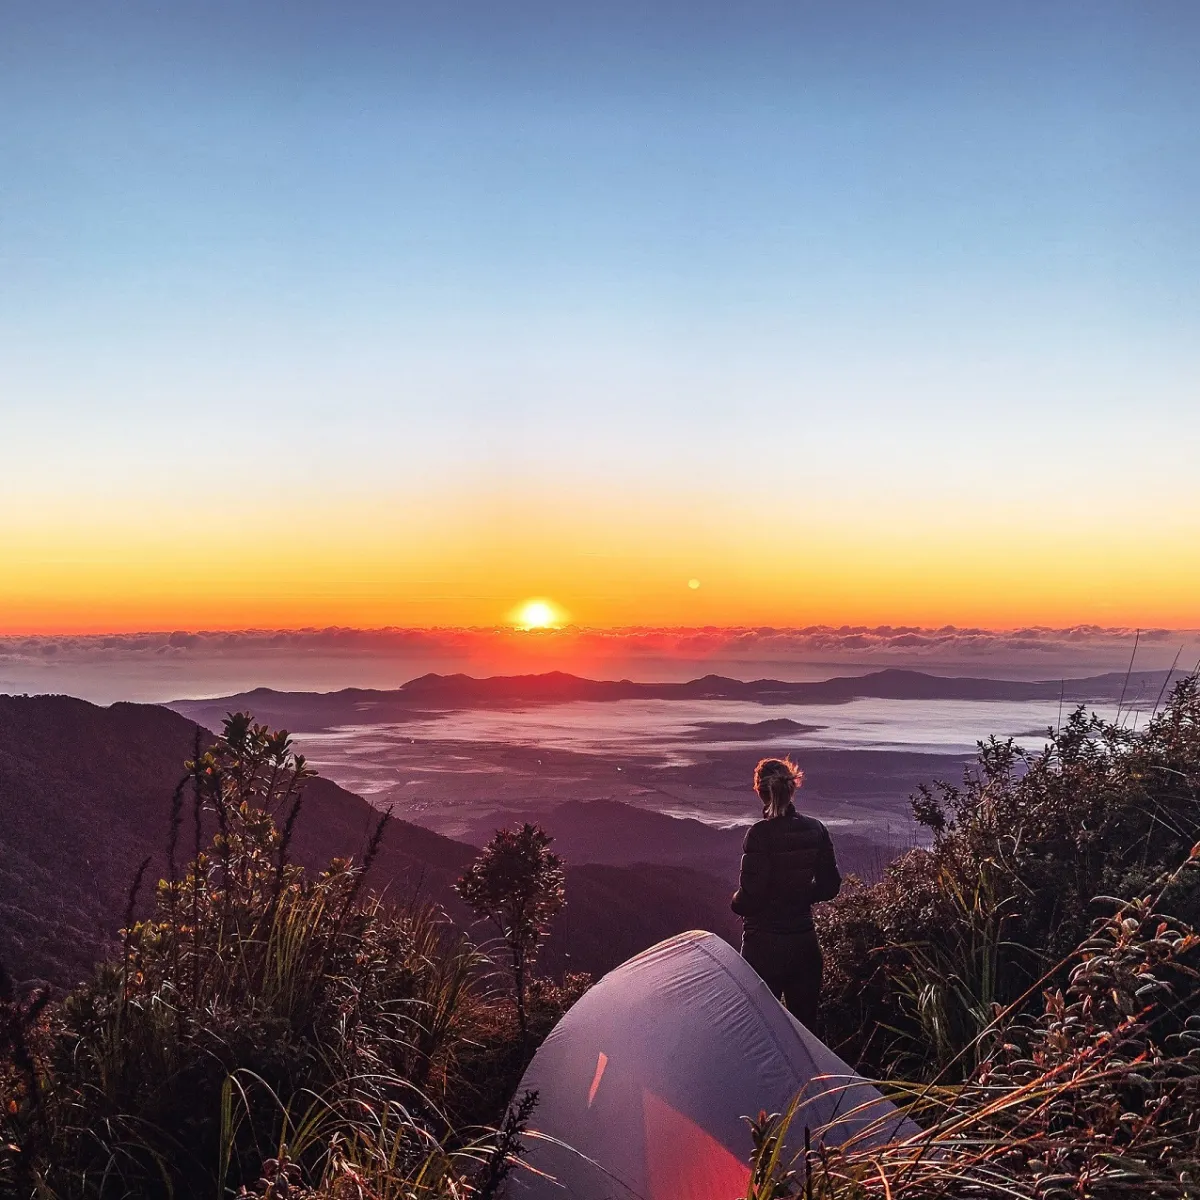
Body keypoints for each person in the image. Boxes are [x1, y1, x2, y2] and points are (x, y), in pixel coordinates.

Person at [731, 757, 841, 1028]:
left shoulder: (759, 834)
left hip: (763, 948)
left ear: (759, 791)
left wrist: (734, 902)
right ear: (791, 788)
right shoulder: (816, 829)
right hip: (805, 946)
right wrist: (801, 894)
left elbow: (750, 899)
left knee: (757, 1032)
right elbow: (830, 886)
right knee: (805, 1034)